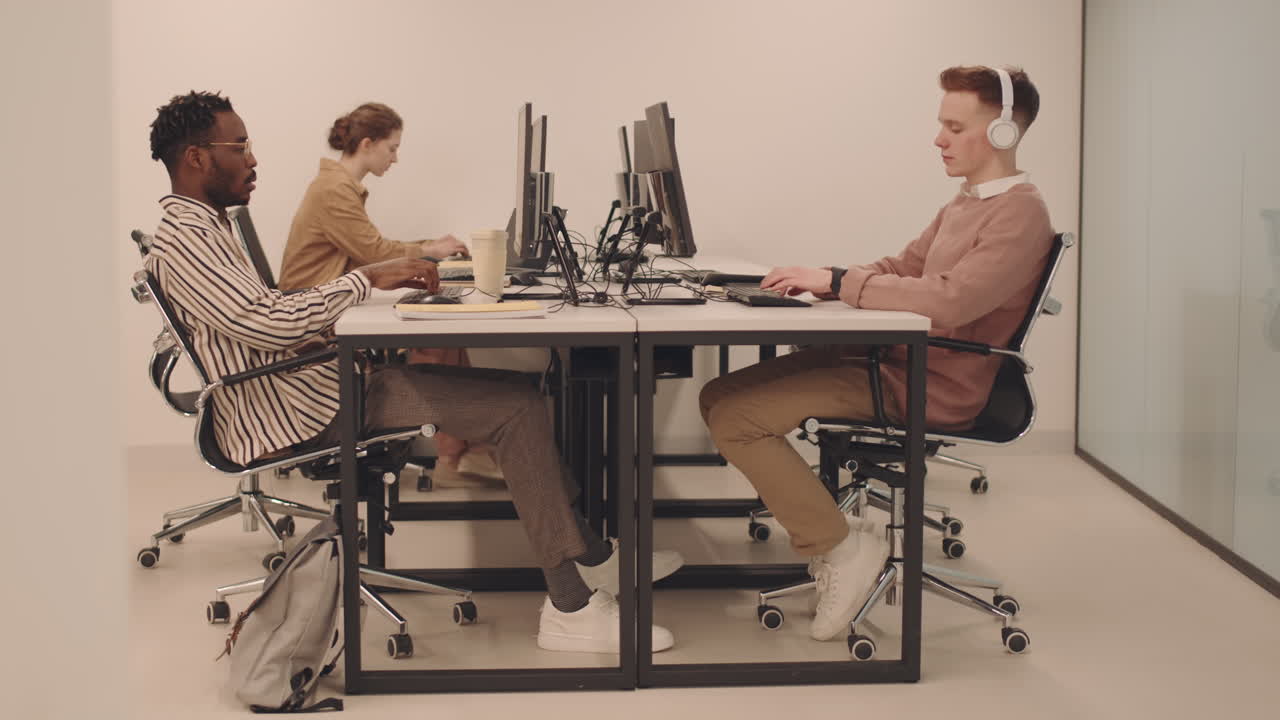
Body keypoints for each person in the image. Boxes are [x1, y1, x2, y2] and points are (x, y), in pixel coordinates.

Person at [144, 91, 682, 653]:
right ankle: (570, 608)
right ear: (197, 157)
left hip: (310, 389)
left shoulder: (206, 226)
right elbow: (266, 322)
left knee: (519, 393)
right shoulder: (188, 237)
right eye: (239, 147)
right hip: (300, 411)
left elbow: (261, 314)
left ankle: (589, 557)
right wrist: (366, 279)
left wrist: (364, 290)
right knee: (517, 410)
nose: (252, 158)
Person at [699, 66, 1054, 641]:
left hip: (928, 382)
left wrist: (842, 283)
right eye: (941, 125)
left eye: (954, 127)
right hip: (896, 359)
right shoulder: (966, 202)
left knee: (737, 420)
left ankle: (840, 549)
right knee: (719, 394)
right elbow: (903, 267)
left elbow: (953, 301)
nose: (938, 139)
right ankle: (835, 533)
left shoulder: (1020, 212)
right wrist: (826, 279)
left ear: (1002, 133)